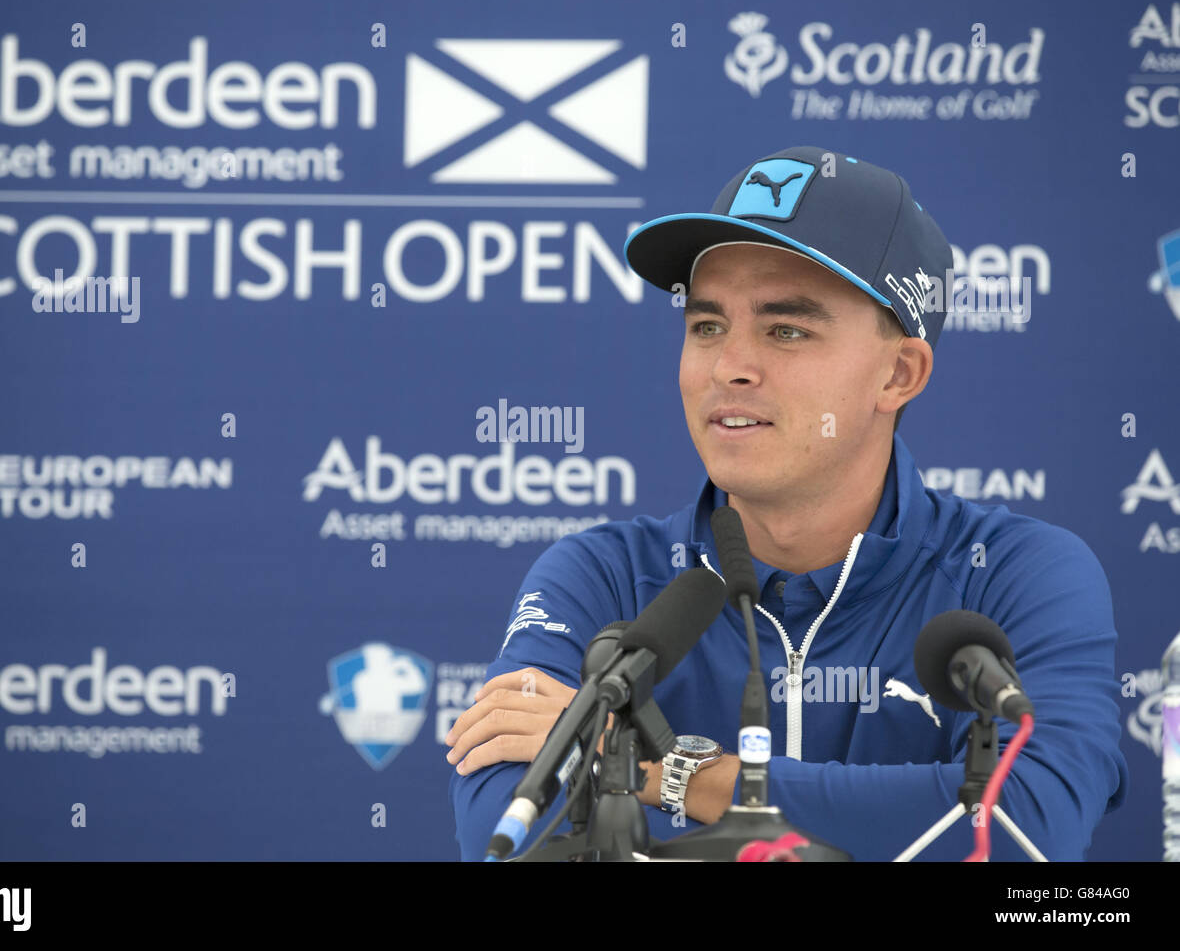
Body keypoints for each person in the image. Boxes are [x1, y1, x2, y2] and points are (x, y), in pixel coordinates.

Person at [445, 145, 1128, 861]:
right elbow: (514, 833)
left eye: (786, 329)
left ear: (898, 373)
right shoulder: (602, 576)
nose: (728, 367)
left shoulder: (1016, 573)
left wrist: (669, 774)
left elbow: (1026, 828)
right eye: (707, 325)